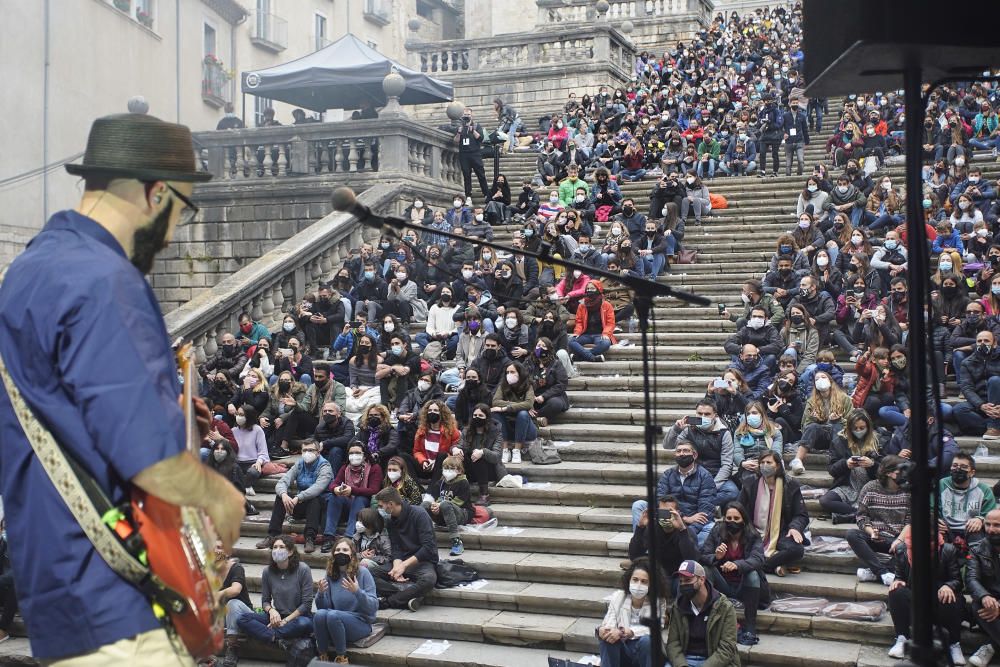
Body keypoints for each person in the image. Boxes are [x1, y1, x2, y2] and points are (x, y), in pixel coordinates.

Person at [0, 113, 245, 664]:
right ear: (156, 193)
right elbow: (149, 461)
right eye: (181, 208)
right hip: (122, 600)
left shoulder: (28, 270)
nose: (177, 227)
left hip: (58, 590)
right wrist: (218, 495)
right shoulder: (106, 279)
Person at [886, 524, 965, 663]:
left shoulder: (948, 550)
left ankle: (954, 643)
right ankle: (902, 637)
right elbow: (899, 576)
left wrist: (949, 586)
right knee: (896, 591)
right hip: (916, 599)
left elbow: (957, 580)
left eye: (931, 540)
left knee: (953, 596)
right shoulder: (901, 550)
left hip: (939, 600)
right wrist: (898, 581)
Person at [698, 501, 766, 646]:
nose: (732, 522)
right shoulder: (717, 531)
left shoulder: (753, 534)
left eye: (736, 519)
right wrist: (716, 557)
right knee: (706, 569)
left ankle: (750, 625)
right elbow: (703, 554)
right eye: (728, 519)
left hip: (743, 585)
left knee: (753, 574)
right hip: (722, 584)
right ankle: (706, 617)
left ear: (743, 520)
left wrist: (737, 565)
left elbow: (758, 559)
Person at [634, 441, 718, 548]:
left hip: (692, 523)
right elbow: (660, 501)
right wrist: (684, 518)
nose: (682, 454)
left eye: (686, 450)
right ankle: (640, 551)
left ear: (694, 455)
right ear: (675, 455)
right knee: (639, 505)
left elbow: (705, 512)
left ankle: (691, 554)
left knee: (710, 527)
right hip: (669, 517)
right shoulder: (668, 474)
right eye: (678, 451)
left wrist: (685, 531)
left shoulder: (705, 476)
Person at [257, 440, 333, 554]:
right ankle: (272, 535)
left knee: (314, 498)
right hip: (299, 504)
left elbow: (318, 488)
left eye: (311, 450)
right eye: (305, 450)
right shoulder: (299, 464)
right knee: (280, 497)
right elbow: (282, 482)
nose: (307, 453)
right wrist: (284, 494)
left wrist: (299, 497)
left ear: (318, 452)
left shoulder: (325, 465)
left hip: (319, 507)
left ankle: (310, 538)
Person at [236, 535, 314, 645]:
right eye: (275, 547)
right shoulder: (267, 572)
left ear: (290, 552)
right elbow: (265, 601)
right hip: (277, 616)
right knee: (242, 618)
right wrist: (272, 611)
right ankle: (275, 637)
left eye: (282, 547)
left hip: (298, 617)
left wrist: (286, 621)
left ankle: (269, 634)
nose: (277, 550)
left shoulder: (303, 569)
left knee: (304, 623)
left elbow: (307, 604)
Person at [739, 451, 808, 577]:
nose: (765, 465)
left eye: (769, 462)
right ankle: (775, 565)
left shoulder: (790, 485)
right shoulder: (749, 483)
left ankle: (761, 566)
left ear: (777, 465)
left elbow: (801, 514)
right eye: (762, 463)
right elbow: (739, 509)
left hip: (781, 531)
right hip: (754, 531)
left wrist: (794, 528)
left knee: (797, 550)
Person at [313, 537, 379, 664]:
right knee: (319, 615)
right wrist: (321, 594)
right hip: (335, 622)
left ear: (352, 554)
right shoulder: (331, 574)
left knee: (332, 615)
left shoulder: (363, 573)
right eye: (337, 550)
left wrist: (357, 592)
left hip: (361, 623)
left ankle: (341, 657)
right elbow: (323, 608)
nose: (340, 552)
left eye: (344, 549)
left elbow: (373, 607)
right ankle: (322, 655)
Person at [372, 487, 438, 611]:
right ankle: (406, 595)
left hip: (422, 562)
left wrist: (404, 566)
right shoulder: (391, 520)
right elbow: (396, 546)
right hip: (402, 560)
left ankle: (389, 601)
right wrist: (397, 565)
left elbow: (428, 548)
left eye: (381, 506)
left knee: (429, 580)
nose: (380, 509)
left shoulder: (419, 514)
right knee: (368, 573)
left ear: (390, 504)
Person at [665, 559, 739, 667]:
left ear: (702, 579)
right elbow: (672, 643)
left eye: (688, 580)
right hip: (686, 659)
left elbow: (727, 647)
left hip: (715, 661)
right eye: (681, 581)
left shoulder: (724, 607)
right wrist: (682, 665)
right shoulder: (678, 606)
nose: (683, 584)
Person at [850, 455, 910, 586]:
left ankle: (875, 573)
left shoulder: (908, 491)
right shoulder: (870, 488)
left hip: (898, 539)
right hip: (876, 537)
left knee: (910, 551)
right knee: (852, 535)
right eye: (901, 472)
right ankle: (883, 573)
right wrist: (871, 531)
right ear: (889, 473)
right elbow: (861, 517)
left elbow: (910, 522)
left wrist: (900, 540)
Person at [664, 399, 737, 505]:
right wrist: (676, 429)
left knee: (732, 492)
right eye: (700, 413)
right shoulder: (689, 430)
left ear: (715, 416)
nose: (703, 417)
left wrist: (711, 487)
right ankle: (701, 503)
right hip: (692, 475)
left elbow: (727, 465)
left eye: (707, 414)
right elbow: (668, 445)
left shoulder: (724, 433)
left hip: (715, 475)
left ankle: (693, 504)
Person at [597, 558, 667, 667]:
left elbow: (656, 627)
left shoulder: (658, 602)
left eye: (644, 581)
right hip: (623, 649)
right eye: (635, 579)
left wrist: (629, 632)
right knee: (608, 638)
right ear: (629, 580)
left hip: (644, 652)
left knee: (648, 641)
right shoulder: (619, 596)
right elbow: (609, 622)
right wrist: (603, 630)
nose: (638, 584)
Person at [819, 409, 883, 524]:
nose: (858, 431)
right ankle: (860, 513)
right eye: (855, 428)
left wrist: (872, 464)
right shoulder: (839, 441)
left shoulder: (878, 440)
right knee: (825, 501)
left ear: (868, 427)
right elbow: (832, 469)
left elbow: (887, 469)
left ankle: (849, 516)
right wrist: (845, 464)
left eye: (862, 428)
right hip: (847, 485)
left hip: (871, 486)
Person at [322, 442, 384, 552]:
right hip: (347, 504)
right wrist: (336, 489)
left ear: (364, 455)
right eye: (351, 453)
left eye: (357, 453)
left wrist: (352, 490)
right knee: (334, 497)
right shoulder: (345, 467)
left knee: (359, 498)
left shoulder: (375, 468)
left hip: (365, 507)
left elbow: (374, 490)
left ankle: (349, 537)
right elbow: (333, 483)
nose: (354, 455)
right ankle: (328, 537)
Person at [790, 370, 852, 475]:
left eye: (823, 377)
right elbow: (805, 426)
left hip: (839, 436)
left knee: (837, 425)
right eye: (817, 379)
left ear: (830, 381)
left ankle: (839, 462)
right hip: (820, 438)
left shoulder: (844, 398)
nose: (820, 380)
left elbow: (852, 424)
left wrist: (839, 420)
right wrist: (815, 419)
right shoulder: (811, 401)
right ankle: (797, 461)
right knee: (813, 426)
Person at [939, 452, 996, 546]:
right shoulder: (941, 485)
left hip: (971, 530)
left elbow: (991, 514)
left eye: (964, 467)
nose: (958, 469)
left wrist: (981, 519)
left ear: (972, 473)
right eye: (955, 465)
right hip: (945, 528)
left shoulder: (984, 489)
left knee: (979, 545)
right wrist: (935, 521)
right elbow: (931, 508)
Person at [422, 455, 473, 556]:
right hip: (444, 514)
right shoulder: (441, 482)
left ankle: (456, 541)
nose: (448, 471)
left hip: (462, 514)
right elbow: (437, 499)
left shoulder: (463, 482)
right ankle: (422, 539)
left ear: (459, 471)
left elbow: (459, 501)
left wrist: (440, 505)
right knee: (424, 505)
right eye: (446, 468)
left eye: (451, 468)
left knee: (445, 504)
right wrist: (435, 506)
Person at [954, 330, 1000, 438]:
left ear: (995, 343)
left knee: (995, 380)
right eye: (979, 341)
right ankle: (993, 426)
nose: (982, 343)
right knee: (959, 409)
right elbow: (967, 388)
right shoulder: (967, 362)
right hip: (981, 403)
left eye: (986, 341)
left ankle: (994, 427)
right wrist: (981, 405)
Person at [214, 541, 253, 667]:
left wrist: (217, 594)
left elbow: (235, 590)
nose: (215, 551)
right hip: (223, 616)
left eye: (219, 547)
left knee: (233, 603)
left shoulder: (236, 568)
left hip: (244, 615)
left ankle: (232, 647)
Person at [460, 403, 508, 505]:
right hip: (471, 470)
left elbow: (497, 456)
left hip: (490, 470)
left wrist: (483, 452)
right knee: (460, 456)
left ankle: (484, 495)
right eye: (475, 416)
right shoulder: (467, 431)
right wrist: (455, 449)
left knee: (479, 456)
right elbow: (460, 445)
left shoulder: (496, 432)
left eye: (481, 416)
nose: (477, 418)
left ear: (487, 418)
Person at [413, 400, 462, 481]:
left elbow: (454, 452)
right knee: (404, 457)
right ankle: (417, 488)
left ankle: (433, 489)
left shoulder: (451, 431)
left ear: (442, 413)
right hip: (425, 466)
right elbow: (417, 451)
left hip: (442, 467)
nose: (432, 412)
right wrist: (423, 461)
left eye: (435, 410)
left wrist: (435, 463)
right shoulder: (421, 430)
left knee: (442, 455)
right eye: (430, 410)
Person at [569, 281, 616, 363]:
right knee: (570, 340)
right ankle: (593, 358)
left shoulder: (606, 305)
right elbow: (579, 321)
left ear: (598, 289)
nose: (589, 290)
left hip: (600, 334)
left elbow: (610, 323)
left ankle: (580, 357)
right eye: (588, 289)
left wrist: (606, 333)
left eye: (592, 288)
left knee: (605, 343)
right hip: (585, 334)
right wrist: (577, 332)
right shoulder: (582, 305)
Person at [232, 404, 269, 496]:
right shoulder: (233, 430)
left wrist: (258, 462)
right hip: (238, 463)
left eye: (241, 414)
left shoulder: (257, 430)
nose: (238, 417)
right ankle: (246, 487)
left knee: (252, 472)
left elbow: (263, 452)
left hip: (253, 462)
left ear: (248, 416)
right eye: (237, 414)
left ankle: (243, 487)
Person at [454, 108, 489, 201]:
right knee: (466, 175)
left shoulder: (477, 126)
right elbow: (456, 141)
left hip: (475, 153)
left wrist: (473, 130)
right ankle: (468, 196)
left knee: (481, 174)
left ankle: (486, 194)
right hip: (464, 154)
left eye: (468, 115)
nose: (466, 116)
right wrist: (458, 132)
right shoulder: (460, 127)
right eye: (465, 115)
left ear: (471, 115)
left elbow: (480, 138)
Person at [315, 401, 356, 478]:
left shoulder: (347, 423)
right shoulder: (319, 427)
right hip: (326, 455)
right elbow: (316, 443)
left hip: (343, 456)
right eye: (325, 411)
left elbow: (348, 439)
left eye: (330, 411)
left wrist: (325, 443)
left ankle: (332, 480)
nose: (327, 413)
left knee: (335, 450)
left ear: (339, 414)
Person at [354, 507, 393, 574]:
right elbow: (350, 553)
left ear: (371, 523)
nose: (358, 523)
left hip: (376, 566)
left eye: (361, 521)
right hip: (358, 561)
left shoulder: (382, 539)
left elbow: (389, 558)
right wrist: (361, 555)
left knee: (365, 562)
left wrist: (373, 557)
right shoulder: (357, 536)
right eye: (358, 520)